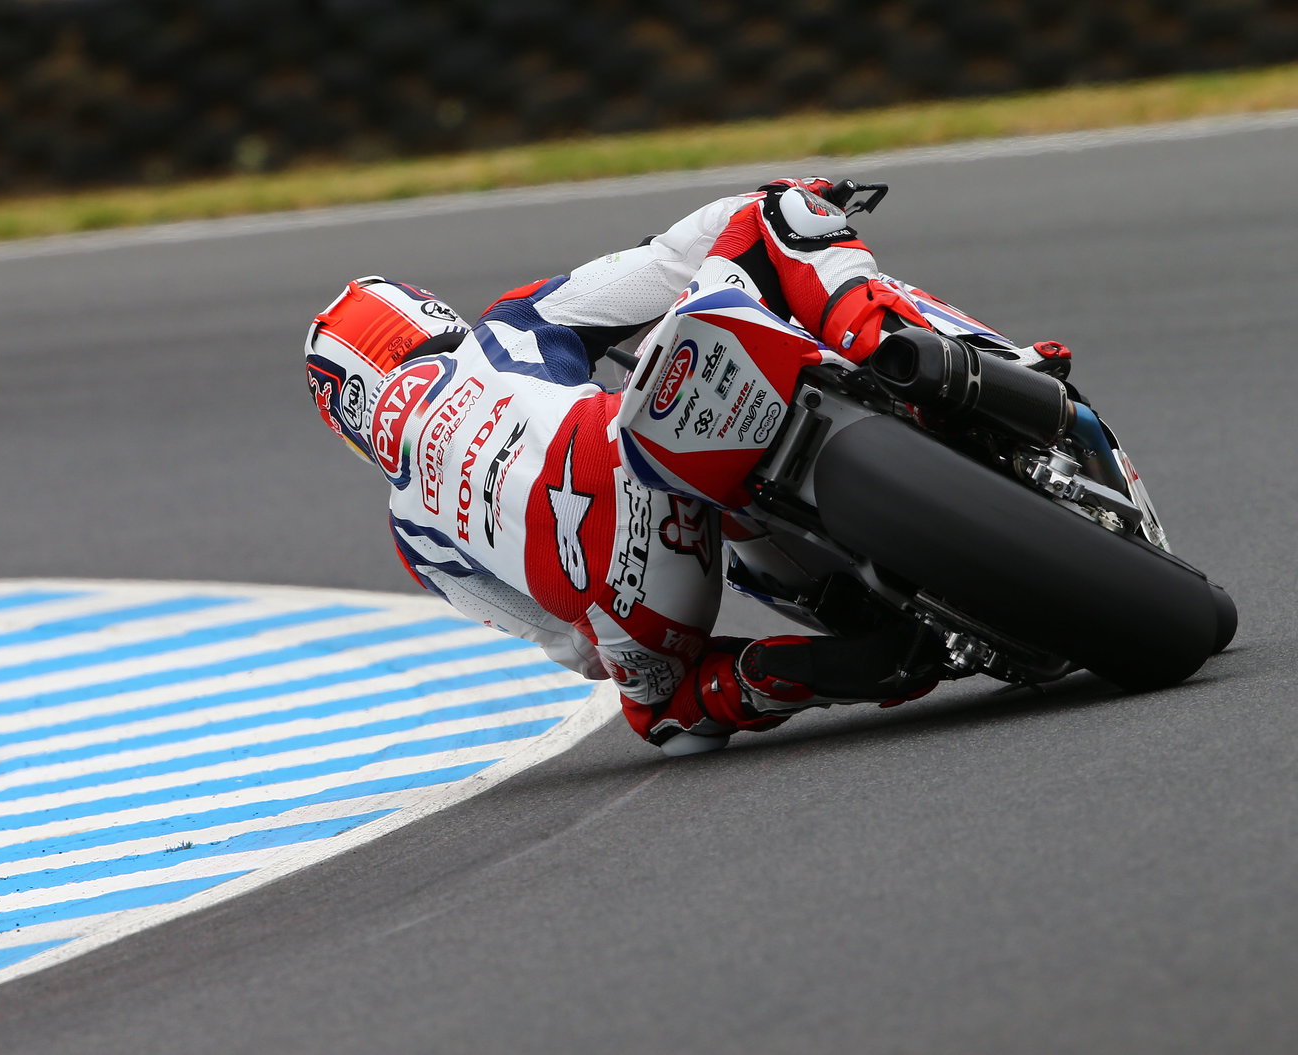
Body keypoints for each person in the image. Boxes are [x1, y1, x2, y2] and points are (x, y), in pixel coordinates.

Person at [303, 178, 1071, 756]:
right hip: (631, 441)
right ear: (428, 316)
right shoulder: (505, 331)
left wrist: (617, 618)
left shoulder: (413, 532)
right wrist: (773, 200)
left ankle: (819, 667)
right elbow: (668, 261)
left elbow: (567, 643)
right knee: (777, 218)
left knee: (664, 715)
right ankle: (949, 360)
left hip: (632, 587)